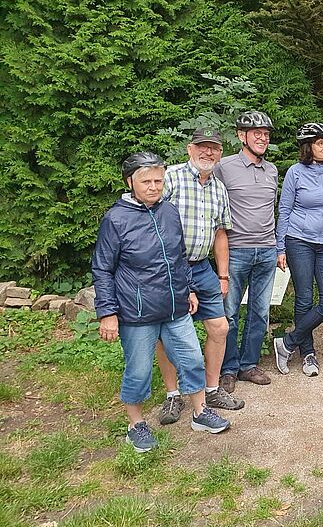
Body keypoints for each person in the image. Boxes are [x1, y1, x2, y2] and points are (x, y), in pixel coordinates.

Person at [93, 152, 230, 453]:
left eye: (158, 180)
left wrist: (189, 290)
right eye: (146, 181)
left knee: (192, 360)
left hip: (175, 307)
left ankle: (200, 412)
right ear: (130, 182)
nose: (154, 186)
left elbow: (179, 257)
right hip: (137, 311)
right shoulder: (115, 219)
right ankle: (135, 425)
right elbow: (102, 268)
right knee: (139, 370)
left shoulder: (169, 211)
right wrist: (107, 313)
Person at [153, 128, 245, 426]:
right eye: (202, 147)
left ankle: (212, 388)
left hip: (202, 267)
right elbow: (150, 222)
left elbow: (220, 233)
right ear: (190, 149)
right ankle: (172, 395)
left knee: (219, 327)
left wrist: (223, 275)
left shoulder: (219, 188)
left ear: (220, 153)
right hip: (169, 267)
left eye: (214, 148)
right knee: (166, 335)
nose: (208, 153)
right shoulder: (171, 178)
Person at [272, 122, 323, 377]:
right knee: (304, 298)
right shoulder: (295, 172)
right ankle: (308, 354)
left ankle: (288, 342)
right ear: (308, 147)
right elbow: (284, 210)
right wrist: (280, 246)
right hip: (299, 240)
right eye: (320, 142)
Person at [213, 111, 279, 393]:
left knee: (259, 312)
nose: (263, 138)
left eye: (266, 134)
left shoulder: (273, 170)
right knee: (229, 314)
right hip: (235, 251)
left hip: (266, 250)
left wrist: (277, 247)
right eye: (257, 133)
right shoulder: (223, 167)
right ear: (242, 136)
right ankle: (227, 369)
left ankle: (248, 365)